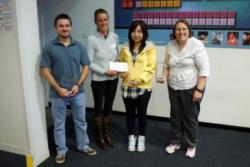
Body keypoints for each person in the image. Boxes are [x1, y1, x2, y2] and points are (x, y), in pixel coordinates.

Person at [40, 13, 96, 164]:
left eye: (67, 25)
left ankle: (83, 145)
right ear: (56, 28)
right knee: (59, 125)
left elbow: (86, 66)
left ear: (71, 27)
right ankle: (61, 151)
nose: (64, 28)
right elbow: (44, 70)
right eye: (61, 26)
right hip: (58, 94)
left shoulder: (78, 46)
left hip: (77, 92)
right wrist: (58, 89)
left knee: (80, 122)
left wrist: (78, 84)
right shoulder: (49, 47)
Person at [157, 19, 209, 158]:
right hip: (173, 87)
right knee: (175, 116)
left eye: (184, 29)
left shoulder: (196, 45)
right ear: (174, 32)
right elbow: (167, 65)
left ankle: (191, 145)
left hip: (191, 87)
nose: (181, 32)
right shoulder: (170, 45)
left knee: (190, 117)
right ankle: (175, 141)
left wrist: (199, 90)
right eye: (178, 29)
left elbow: (204, 70)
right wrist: (164, 77)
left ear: (189, 30)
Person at [119, 20, 156, 152]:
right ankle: (131, 137)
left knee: (141, 114)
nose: (136, 34)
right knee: (129, 114)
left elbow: (151, 67)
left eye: (140, 31)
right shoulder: (124, 47)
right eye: (134, 31)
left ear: (144, 33)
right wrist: (121, 73)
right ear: (130, 32)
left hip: (143, 87)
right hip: (127, 86)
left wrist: (139, 80)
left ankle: (141, 138)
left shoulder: (150, 47)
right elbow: (121, 64)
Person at [86, 8, 119, 150]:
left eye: (105, 19)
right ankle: (99, 137)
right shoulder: (91, 39)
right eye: (100, 20)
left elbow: (116, 57)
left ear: (108, 20)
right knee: (99, 108)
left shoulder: (114, 37)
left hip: (113, 79)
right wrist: (105, 71)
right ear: (96, 22)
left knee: (109, 107)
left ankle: (106, 134)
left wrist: (117, 68)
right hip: (98, 79)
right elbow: (89, 62)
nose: (103, 22)